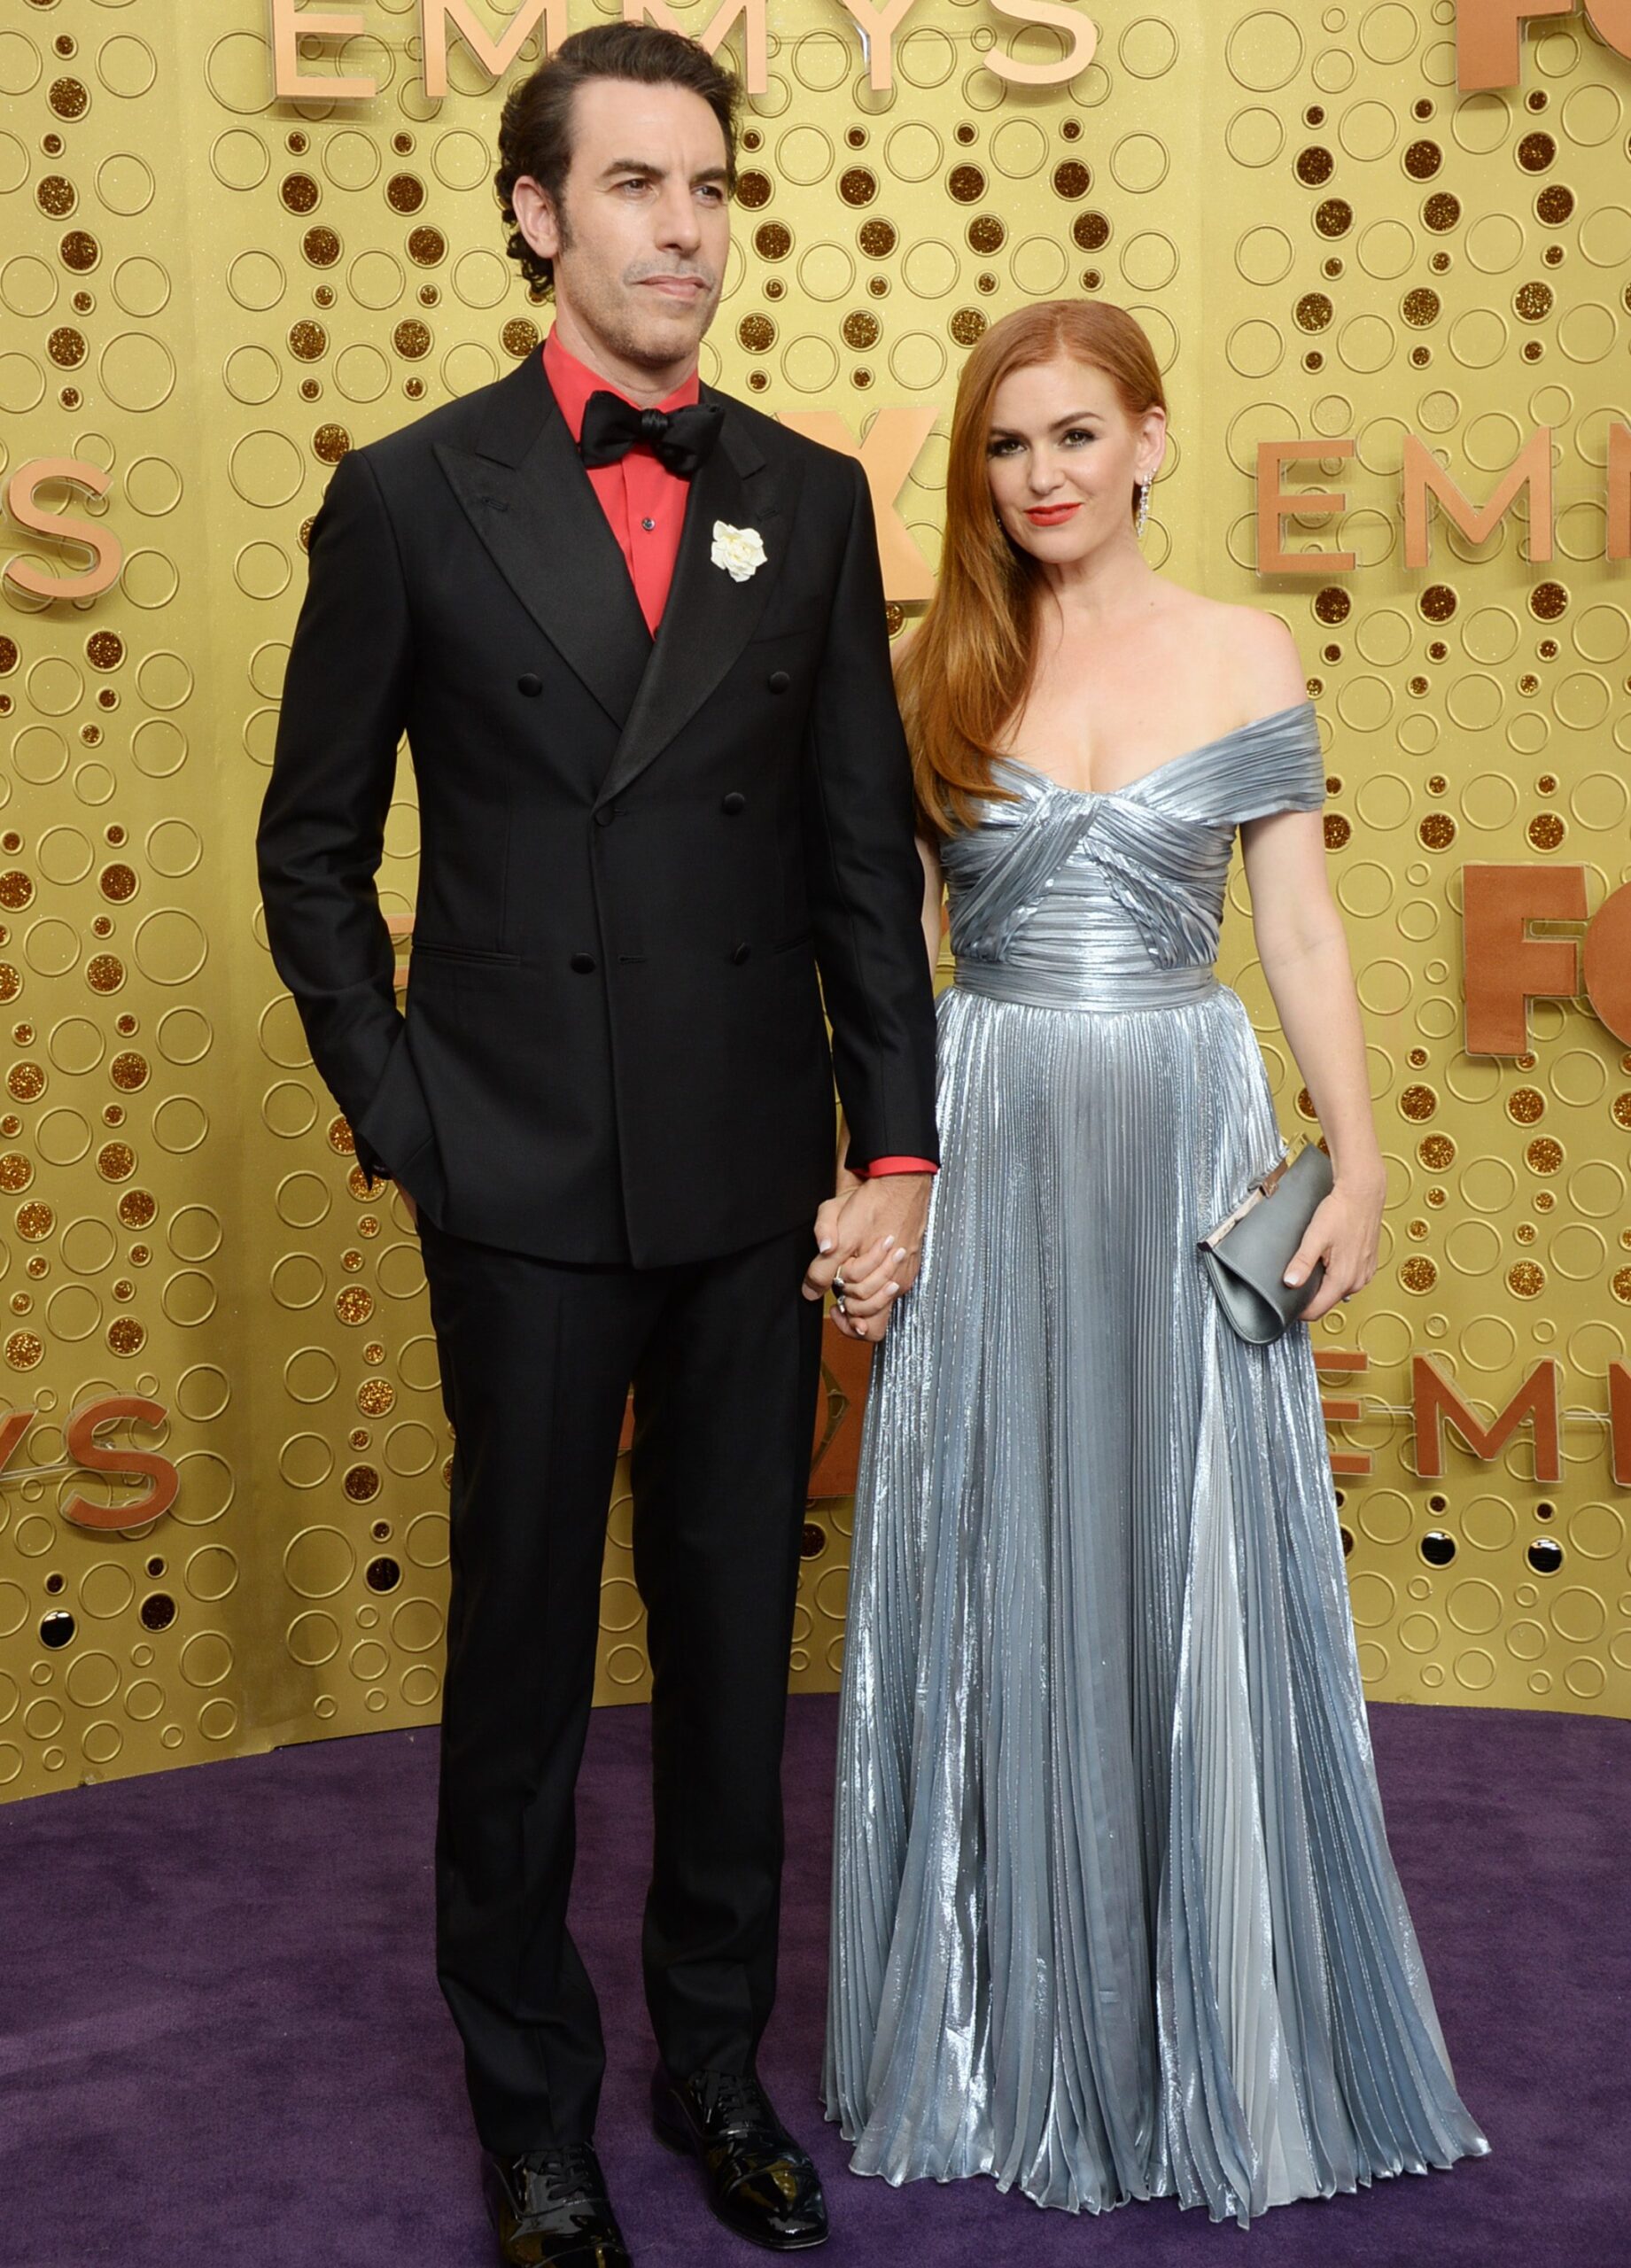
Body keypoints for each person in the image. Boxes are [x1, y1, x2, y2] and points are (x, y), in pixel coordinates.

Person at [256, 26, 939, 2266]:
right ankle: (533, 2113)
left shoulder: (810, 497)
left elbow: (860, 860)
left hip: (753, 1179)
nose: (686, 228)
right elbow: (311, 848)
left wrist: (899, 1149)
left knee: (736, 1652)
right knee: (525, 1663)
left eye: (713, 186)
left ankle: (718, 2069)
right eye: (638, 184)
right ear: (538, 213)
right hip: (523, 1176)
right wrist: (408, 1113)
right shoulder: (406, 494)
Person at [819, 301, 1490, 2225]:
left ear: (1149, 439)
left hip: (1184, 1134)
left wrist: (1359, 1155)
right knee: (996, 1541)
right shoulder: (933, 664)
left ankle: (1216, 2025)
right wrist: (868, 1174)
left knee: (1189, 1544)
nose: (1040, 474)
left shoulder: (1242, 649)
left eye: (1073, 433)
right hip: (989, 1133)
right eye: (1005, 443)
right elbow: (884, 957)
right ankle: (998, 2027)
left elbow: (1301, 927)